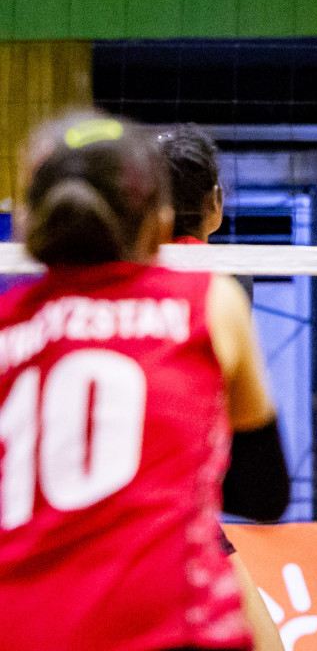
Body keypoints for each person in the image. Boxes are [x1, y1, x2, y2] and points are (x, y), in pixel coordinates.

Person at [0, 113, 288, 650]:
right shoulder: (206, 298)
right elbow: (265, 494)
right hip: (169, 624)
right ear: (158, 223)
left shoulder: (7, 324)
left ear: (24, 222)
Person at [158, 122, 285, 651]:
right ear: (215, 201)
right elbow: (264, 490)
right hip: (173, 507)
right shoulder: (225, 283)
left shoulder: (92, 287)